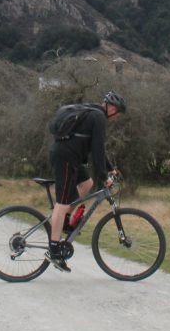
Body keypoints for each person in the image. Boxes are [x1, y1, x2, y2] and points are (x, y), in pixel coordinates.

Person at [46, 90, 127, 272]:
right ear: (112, 109)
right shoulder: (99, 118)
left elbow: (95, 148)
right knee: (62, 202)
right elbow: (97, 150)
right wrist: (104, 176)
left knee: (87, 184)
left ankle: (65, 219)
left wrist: (109, 167)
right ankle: (54, 249)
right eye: (118, 114)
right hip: (66, 158)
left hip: (68, 156)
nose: (116, 118)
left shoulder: (95, 114)